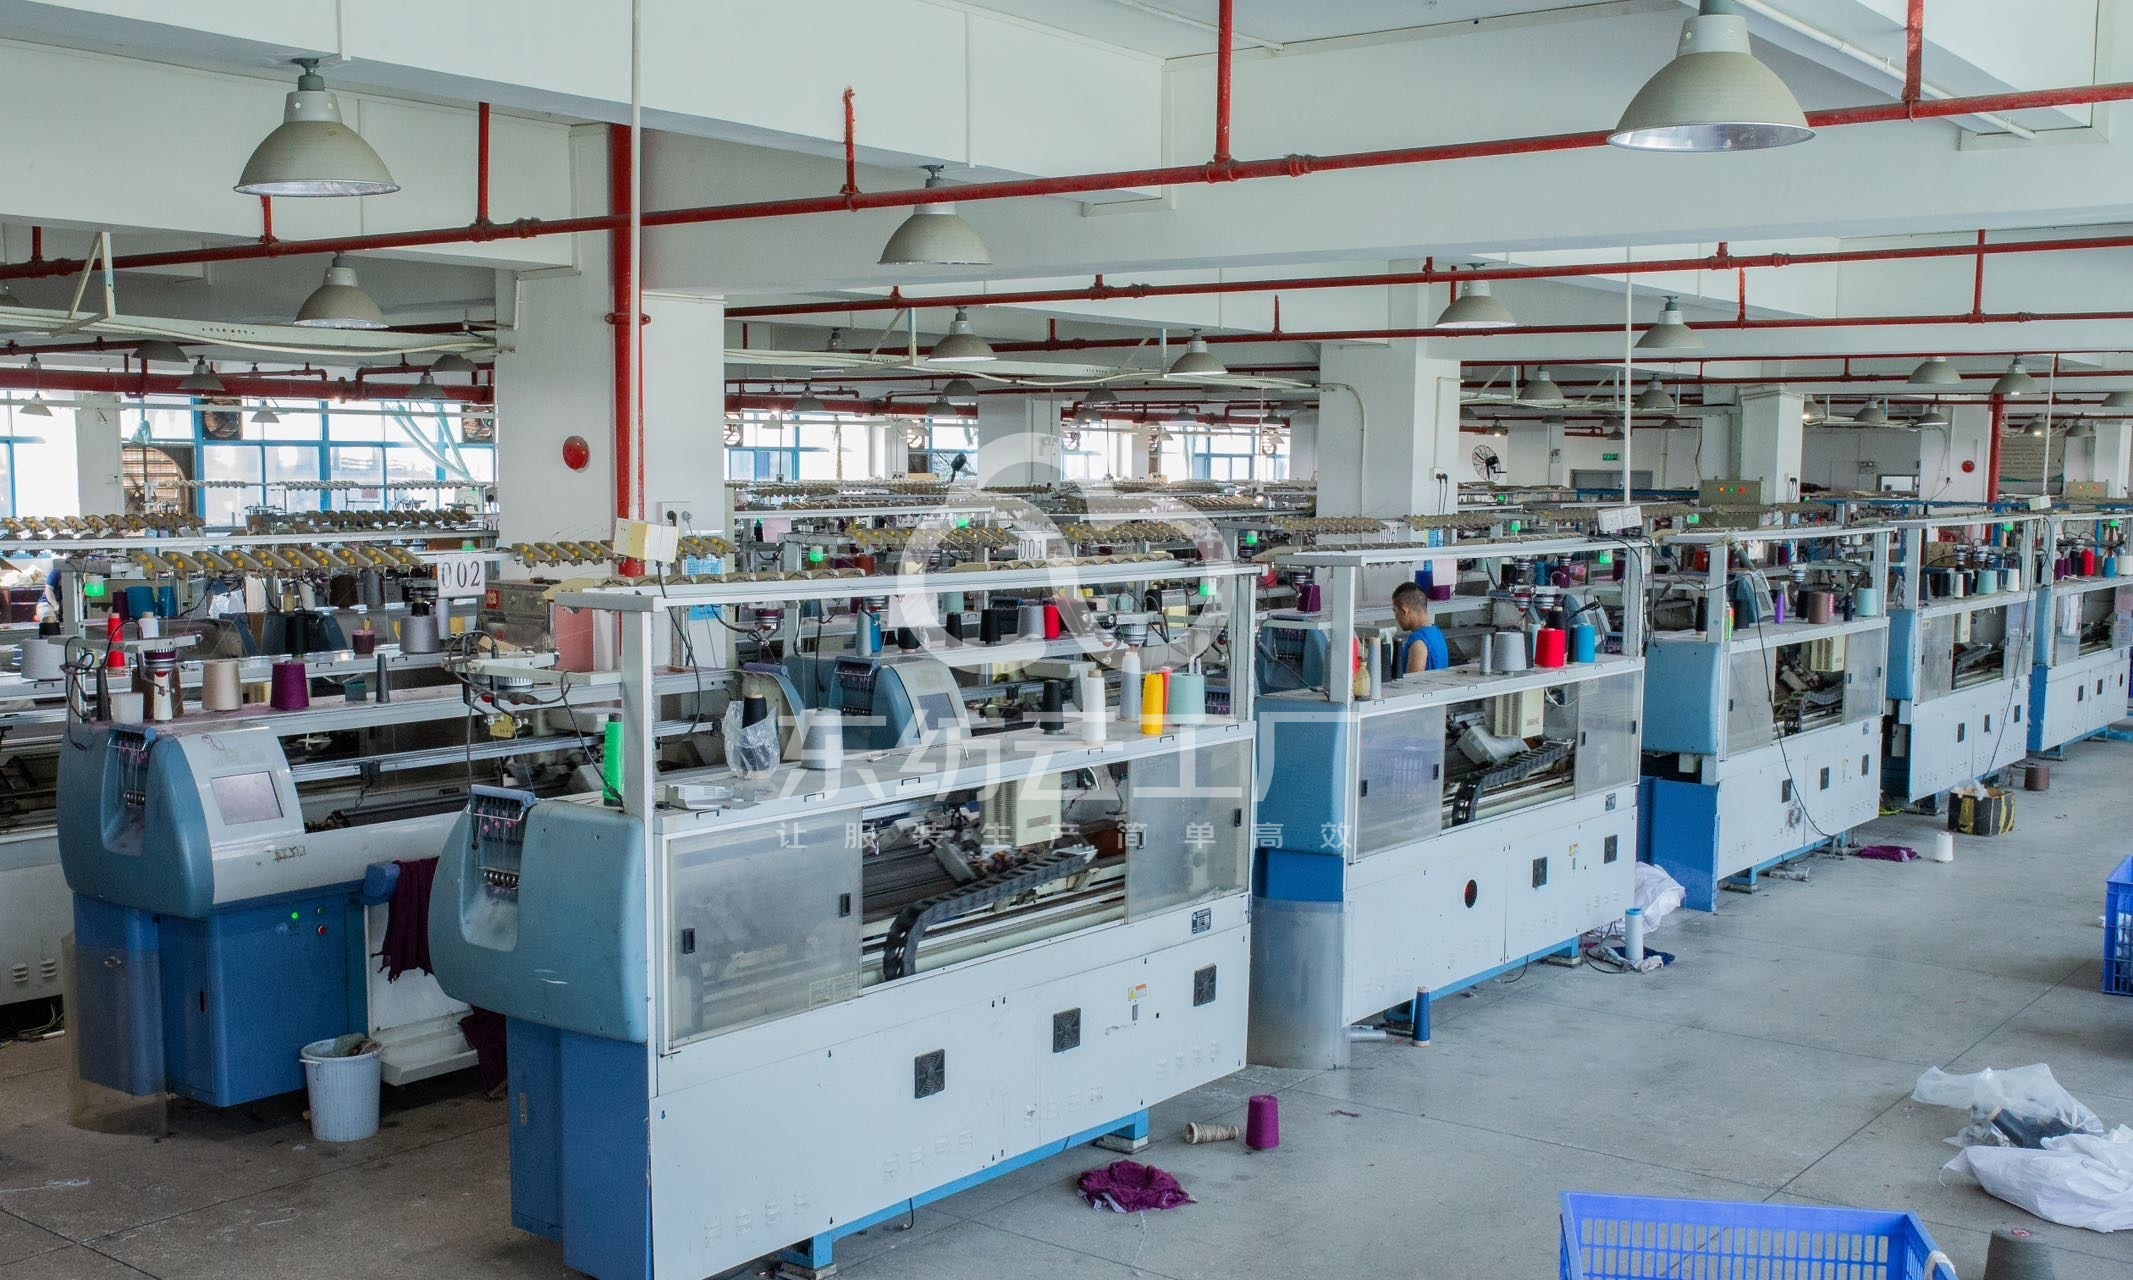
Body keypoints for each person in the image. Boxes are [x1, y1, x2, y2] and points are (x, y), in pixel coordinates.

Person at [1391, 581, 1449, 675]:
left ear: (1404, 610)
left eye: (1396, 611)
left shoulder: (1418, 642)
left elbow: (1413, 683)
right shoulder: (1437, 633)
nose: (1396, 617)